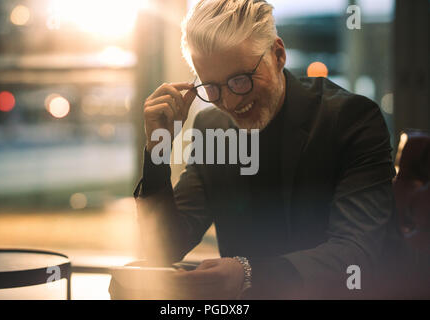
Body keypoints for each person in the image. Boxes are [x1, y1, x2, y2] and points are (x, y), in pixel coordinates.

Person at [109, 0, 406, 299]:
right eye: (211, 87)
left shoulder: (351, 120)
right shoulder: (212, 128)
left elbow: (355, 256)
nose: (230, 102)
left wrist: (247, 274)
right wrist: (158, 149)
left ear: (278, 55)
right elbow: (164, 246)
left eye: (241, 79)